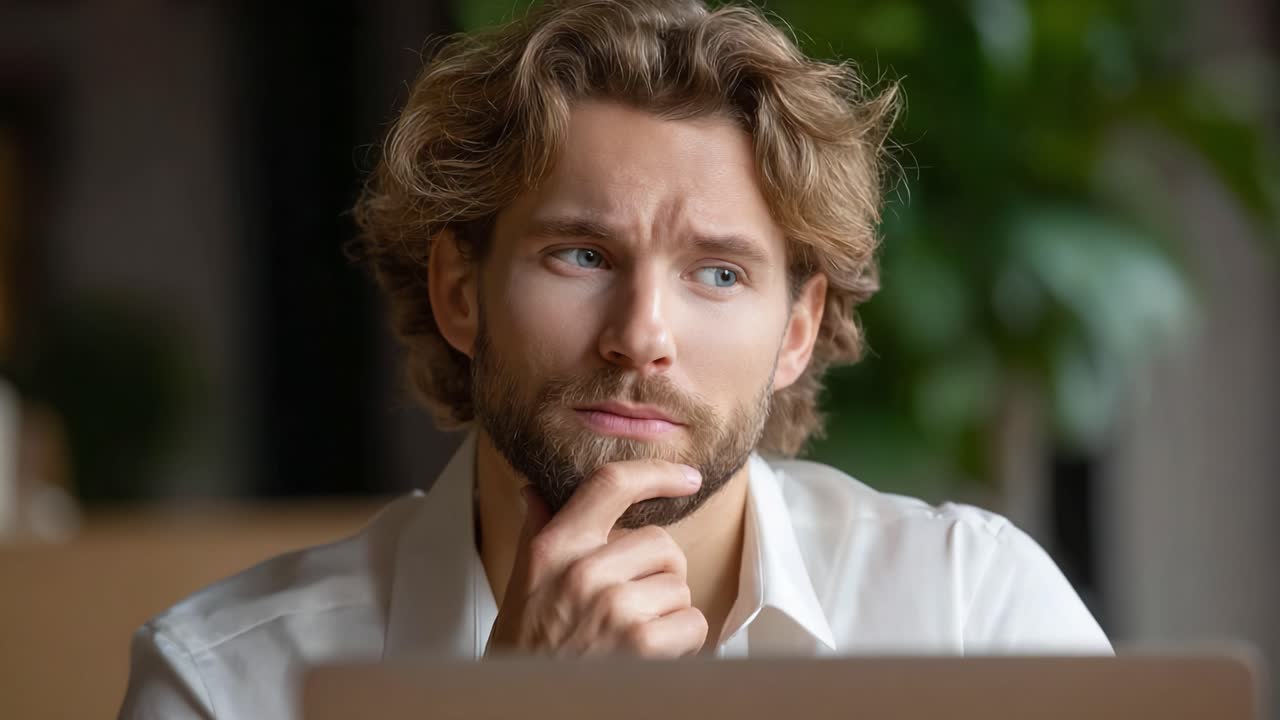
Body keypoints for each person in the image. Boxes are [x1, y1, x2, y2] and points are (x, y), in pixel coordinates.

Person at [120, 0, 1111, 716]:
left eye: (717, 274)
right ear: (458, 294)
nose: (640, 334)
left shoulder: (969, 609)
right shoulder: (227, 683)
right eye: (581, 254)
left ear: (797, 330)